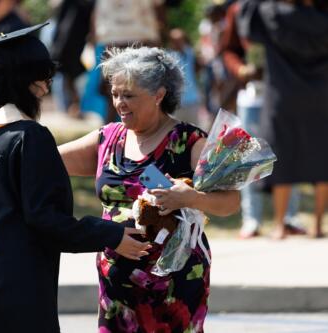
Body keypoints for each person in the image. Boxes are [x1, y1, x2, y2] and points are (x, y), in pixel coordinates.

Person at [0, 24, 151, 333]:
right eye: (46, 80)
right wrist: (111, 234)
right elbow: (48, 221)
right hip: (15, 299)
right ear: (33, 84)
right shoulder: (30, 138)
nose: (46, 89)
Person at [59, 47, 240, 332]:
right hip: (116, 287)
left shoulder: (190, 141)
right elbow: (44, 158)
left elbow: (230, 202)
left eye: (129, 95)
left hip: (174, 284)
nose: (119, 103)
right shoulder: (108, 138)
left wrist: (192, 197)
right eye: (115, 94)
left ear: (158, 95)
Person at [238, 0, 328, 239]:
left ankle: (279, 225)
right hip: (322, 94)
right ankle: (318, 225)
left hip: (283, 94)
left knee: (283, 155)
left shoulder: (272, 13)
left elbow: (247, 24)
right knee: (322, 156)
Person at [221, 0, 304, 239]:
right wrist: (239, 69)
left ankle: (290, 216)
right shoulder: (240, 10)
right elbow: (229, 49)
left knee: (290, 151)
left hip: (288, 91)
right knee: (249, 154)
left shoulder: (290, 8)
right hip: (253, 94)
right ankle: (252, 219)